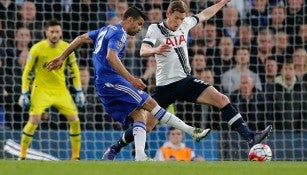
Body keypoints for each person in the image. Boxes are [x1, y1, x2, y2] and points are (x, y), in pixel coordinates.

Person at [102, 0, 272, 161]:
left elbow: (205, 14)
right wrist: (156, 49)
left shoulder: (185, 24)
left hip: (186, 81)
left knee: (222, 99)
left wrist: (221, 3)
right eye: (176, 17)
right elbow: (143, 50)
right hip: (165, 87)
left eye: (182, 18)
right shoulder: (155, 29)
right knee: (146, 126)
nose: (179, 22)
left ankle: (250, 137)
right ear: (168, 14)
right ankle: (115, 148)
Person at [46, 6, 209, 161]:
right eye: (138, 24)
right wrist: (132, 79)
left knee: (139, 115)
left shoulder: (106, 29)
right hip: (111, 81)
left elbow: (81, 38)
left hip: (103, 85)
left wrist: (62, 56)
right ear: (129, 20)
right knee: (151, 104)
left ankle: (139, 155)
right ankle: (191, 131)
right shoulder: (120, 34)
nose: (139, 29)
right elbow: (111, 57)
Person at [17, 19, 84, 160]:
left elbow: (74, 70)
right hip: (40, 90)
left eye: (57, 32)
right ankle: (22, 155)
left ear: (61, 32)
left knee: (75, 120)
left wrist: (79, 90)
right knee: (34, 120)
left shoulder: (67, 48)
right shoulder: (36, 48)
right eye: (52, 31)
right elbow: (27, 72)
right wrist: (24, 92)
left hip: (60, 90)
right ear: (46, 32)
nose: (54, 34)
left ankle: (75, 157)